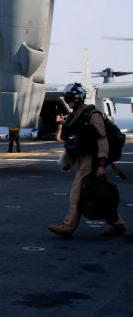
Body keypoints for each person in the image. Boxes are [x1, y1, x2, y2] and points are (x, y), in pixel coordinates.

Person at [48, 83, 127, 238]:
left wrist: (102, 164)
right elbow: (72, 141)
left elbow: (101, 139)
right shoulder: (75, 116)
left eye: (69, 98)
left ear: (77, 98)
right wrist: (67, 161)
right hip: (82, 160)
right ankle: (118, 224)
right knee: (96, 195)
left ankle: (68, 226)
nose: (67, 101)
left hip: (92, 160)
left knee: (77, 192)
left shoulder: (92, 115)